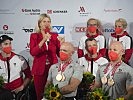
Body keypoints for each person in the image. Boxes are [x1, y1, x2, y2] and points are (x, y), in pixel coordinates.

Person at [30, 13, 64, 100]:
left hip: (53, 68)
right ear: (39, 23)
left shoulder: (54, 35)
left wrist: (62, 44)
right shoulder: (34, 36)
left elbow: (59, 54)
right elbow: (33, 52)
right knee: (40, 95)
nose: (47, 23)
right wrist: (44, 39)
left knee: (54, 94)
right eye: (44, 21)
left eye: (48, 21)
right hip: (39, 70)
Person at [0, 35, 32, 100]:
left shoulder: (20, 59)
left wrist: (22, 86)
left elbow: (29, 76)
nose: (9, 46)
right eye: (6, 44)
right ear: (0, 46)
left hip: (17, 92)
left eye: (10, 43)